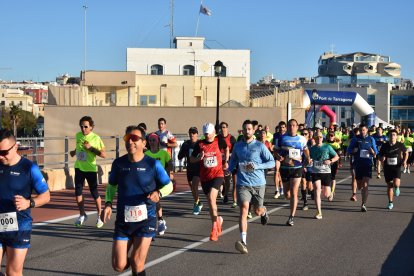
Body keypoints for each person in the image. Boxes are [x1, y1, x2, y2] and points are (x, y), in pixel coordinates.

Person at [102, 125, 173, 275]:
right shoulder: (119, 164)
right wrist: (108, 204)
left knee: (136, 261)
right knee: (118, 265)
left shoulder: (153, 164)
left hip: (146, 219)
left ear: (144, 143)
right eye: (127, 138)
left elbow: (169, 185)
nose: (130, 142)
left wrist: (159, 194)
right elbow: (112, 186)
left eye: (135, 138)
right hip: (124, 220)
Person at [0, 129, 50, 276]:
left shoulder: (29, 168)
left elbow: (46, 196)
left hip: (19, 226)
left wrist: (29, 203)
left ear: (15, 147)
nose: (0, 156)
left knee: (13, 272)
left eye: (3, 152)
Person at [229, 120, 275, 254]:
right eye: (245, 129)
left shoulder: (260, 146)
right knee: (244, 209)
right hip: (243, 183)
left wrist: (258, 166)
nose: (247, 131)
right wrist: (229, 169)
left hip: (258, 183)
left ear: (253, 131)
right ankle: (243, 241)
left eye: (249, 129)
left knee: (257, 211)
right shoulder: (237, 146)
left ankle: (264, 211)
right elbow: (233, 160)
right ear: (242, 130)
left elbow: (271, 162)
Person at [190, 123, 227, 241]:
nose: (207, 136)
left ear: (213, 132)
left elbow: (226, 148)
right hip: (205, 178)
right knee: (211, 204)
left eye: (209, 134)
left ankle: (214, 229)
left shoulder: (219, 141)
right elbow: (191, 158)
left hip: (218, 175)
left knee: (212, 198)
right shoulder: (199, 144)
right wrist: (198, 158)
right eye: (205, 134)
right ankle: (217, 221)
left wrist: (226, 160)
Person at [70, 116, 106, 228]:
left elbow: (103, 154)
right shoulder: (78, 135)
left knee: (94, 193)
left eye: (86, 126)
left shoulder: (96, 138)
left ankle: (99, 215)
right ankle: (82, 214)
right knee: (78, 192)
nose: (83, 129)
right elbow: (78, 147)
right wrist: (74, 152)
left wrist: (90, 148)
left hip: (90, 168)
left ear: (91, 127)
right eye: (81, 126)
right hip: (79, 167)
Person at [275, 119, 310, 226]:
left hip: (297, 167)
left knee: (294, 192)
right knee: (287, 194)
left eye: (294, 125)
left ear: (297, 127)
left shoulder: (302, 139)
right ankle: (293, 200)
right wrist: (278, 156)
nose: (292, 127)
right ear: (287, 127)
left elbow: (305, 149)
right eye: (290, 125)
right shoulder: (281, 138)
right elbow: (275, 150)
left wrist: (308, 157)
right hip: (285, 168)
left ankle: (291, 217)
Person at [145, 133, 173, 235]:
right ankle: (159, 220)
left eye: (154, 140)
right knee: (153, 201)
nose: (152, 142)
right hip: (149, 180)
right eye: (150, 140)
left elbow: (170, 164)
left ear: (158, 142)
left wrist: (165, 172)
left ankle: (158, 221)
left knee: (155, 200)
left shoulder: (164, 153)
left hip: (160, 181)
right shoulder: (146, 154)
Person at [347, 124, 378, 212]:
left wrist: (373, 152)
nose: (362, 132)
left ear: (367, 130)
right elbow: (349, 150)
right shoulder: (355, 138)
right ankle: (359, 191)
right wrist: (353, 151)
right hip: (358, 164)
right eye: (361, 130)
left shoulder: (371, 139)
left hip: (367, 164)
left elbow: (376, 152)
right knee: (360, 186)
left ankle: (363, 204)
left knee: (365, 185)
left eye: (363, 130)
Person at [309, 132, 339, 219]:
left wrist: (330, 160)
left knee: (326, 195)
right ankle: (319, 212)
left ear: (323, 138)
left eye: (320, 137)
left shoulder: (327, 147)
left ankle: (331, 193)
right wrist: (307, 163)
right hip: (316, 172)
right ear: (314, 138)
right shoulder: (312, 149)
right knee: (317, 191)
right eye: (317, 137)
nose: (319, 138)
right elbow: (308, 159)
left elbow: (337, 156)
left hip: (326, 172)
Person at [378, 129, 408, 209]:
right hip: (387, 168)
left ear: (397, 136)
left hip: (397, 166)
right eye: (391, 135)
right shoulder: (384, 145)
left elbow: (406, 153)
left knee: (396, 183)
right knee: (389, 185)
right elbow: (380, 156)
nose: (392, 136)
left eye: (394, 135)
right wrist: (382, 158)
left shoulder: (400, 145)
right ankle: (390, 202)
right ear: (388, 136)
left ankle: (397, 187)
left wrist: (404, 161)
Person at [178, 127, 203, 215]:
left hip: (198, 168)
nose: (192, 135)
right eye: (190, 133)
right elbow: (179, 156)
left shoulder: (200, 144)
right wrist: (183, 152)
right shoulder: (186, 144)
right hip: (190, 168)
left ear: (197, 134)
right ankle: (198, 201)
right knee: (192, 187)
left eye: (194, 133)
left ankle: (196, 204)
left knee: (195, 186)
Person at [217, 122, 235, 205]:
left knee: (227, 180)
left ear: (227, 128)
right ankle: (223, 187)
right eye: (221, 127)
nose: (222, 129)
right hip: (218, 161)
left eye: (224, 127)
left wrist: (230, 155)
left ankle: (226, 195)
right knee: (220, 178)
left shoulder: (231, 138)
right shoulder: (217, 138)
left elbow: (235, 150)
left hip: (228, 161)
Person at [272, 121, 287, 199]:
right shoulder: (275, 135)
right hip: (277, 155)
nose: (281, 128)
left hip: (285, 156)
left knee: (282, 173)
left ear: (285, 128)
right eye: (280, 127)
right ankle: (277, 190)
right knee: (276, 171)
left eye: (283, 127)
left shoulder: (287, 136)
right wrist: (277, 155)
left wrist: (284, 157)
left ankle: (282, 187)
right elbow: (274, 147)